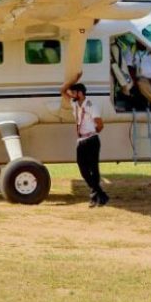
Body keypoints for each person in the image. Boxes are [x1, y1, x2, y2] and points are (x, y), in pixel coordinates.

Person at [60, 72, 109, 207]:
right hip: (81, 140)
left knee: (94, 168)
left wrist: (92, 134)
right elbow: (63, 90)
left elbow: (100, 124)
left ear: (80, 93)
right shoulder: (75, 104)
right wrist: (74, 79)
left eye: (74, 92)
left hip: (91, 139)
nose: (71, 94)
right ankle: (101, 194)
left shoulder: (91, 105)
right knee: (83, 168)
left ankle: (95, 196)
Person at [128, 41, 151, 112]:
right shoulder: (131, 49)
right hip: (142, 78)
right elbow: (129, 67)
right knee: (142, 84)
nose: (142, 43)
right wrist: (134, 80)